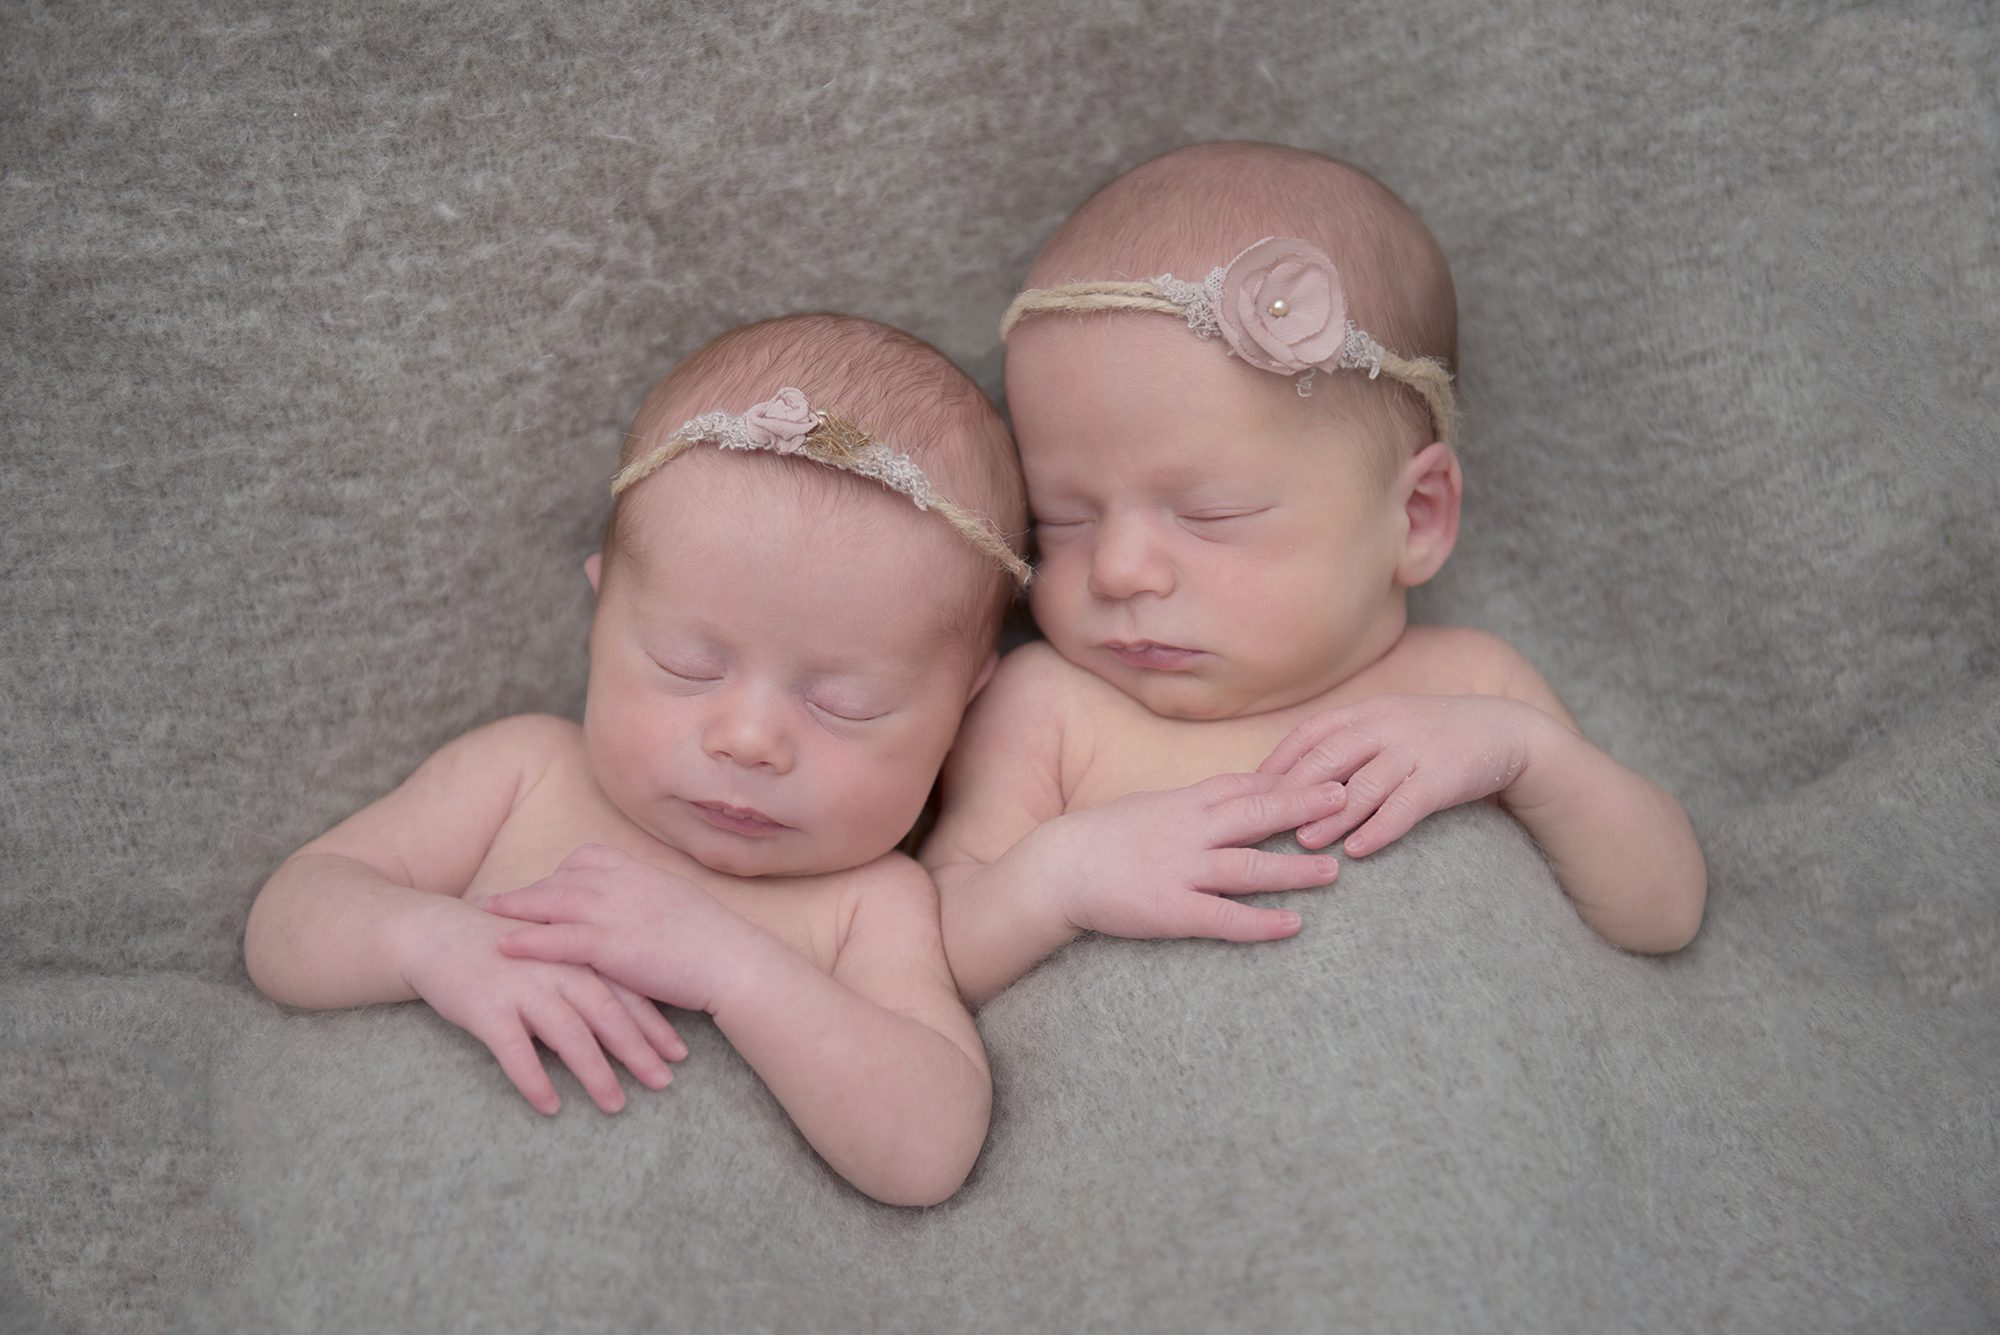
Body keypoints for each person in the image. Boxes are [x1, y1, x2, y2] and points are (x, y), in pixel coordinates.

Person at [245, 314, 1032, 1206]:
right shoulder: (526, 773)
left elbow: (929, 1149)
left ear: (962, 706)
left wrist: (733, 970)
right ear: (600, 617)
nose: (748, 739)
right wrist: (426, 943)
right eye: (687, 666)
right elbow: (286, 921)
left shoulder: (870, 902)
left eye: (841, 703)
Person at [923, 143, 1707, 1006]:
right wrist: (1060, 875)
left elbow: (1664, 908)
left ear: (1415, 519)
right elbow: (929, 959)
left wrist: (1531, 758)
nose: (1115, 569)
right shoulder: (1050, 709)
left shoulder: (1471, 690)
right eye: (1061, 520)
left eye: (1209, 516)